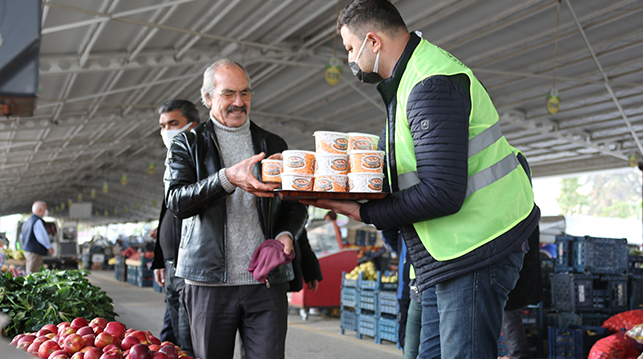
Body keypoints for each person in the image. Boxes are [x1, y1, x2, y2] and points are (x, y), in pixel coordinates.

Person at [303, 1, 541, 358]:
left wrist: (363, 213)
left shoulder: (431, 84)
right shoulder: (409, 79)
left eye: (351, 49)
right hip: (448, 252)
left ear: (373, 41)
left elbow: (443, 193)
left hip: (476, 247)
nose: (351, 59)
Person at [164, 59, 308, 359]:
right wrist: (226, 179)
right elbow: (176, 201)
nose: (239, 102)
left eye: (245, 93)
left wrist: (285, 235)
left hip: (265, 282)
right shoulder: (188, 144)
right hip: (208, 282)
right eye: (228, 94)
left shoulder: (272, 143)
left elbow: (294, 205)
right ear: (208, 98)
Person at [150, 99, 199, 355]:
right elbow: (167, 213)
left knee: (188, 339)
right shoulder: (172, 162)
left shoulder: (202, 159)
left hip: (189, 264)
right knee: (176, 338)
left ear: (192, 125)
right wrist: (160, 258)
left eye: (173, 124)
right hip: (172, 265)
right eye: (162, 125)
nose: (166, 131)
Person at [502, 225, 542, 359]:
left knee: (509, 315)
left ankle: (518, 355)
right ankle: (516, 354)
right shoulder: (529, 218)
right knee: (509, 316)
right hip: (518, 275)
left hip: (516, 277)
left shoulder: (522, 221)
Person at [20, 201, 54, 274]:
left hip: (28, 250)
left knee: (37, 271)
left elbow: (22, 236)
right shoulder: (37, 221)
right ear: (39, 210)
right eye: (44, 210)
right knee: (32, 272)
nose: (45, 212)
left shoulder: (27, 221)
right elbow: (41, 236)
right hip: (34, 251)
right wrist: (49, 247)